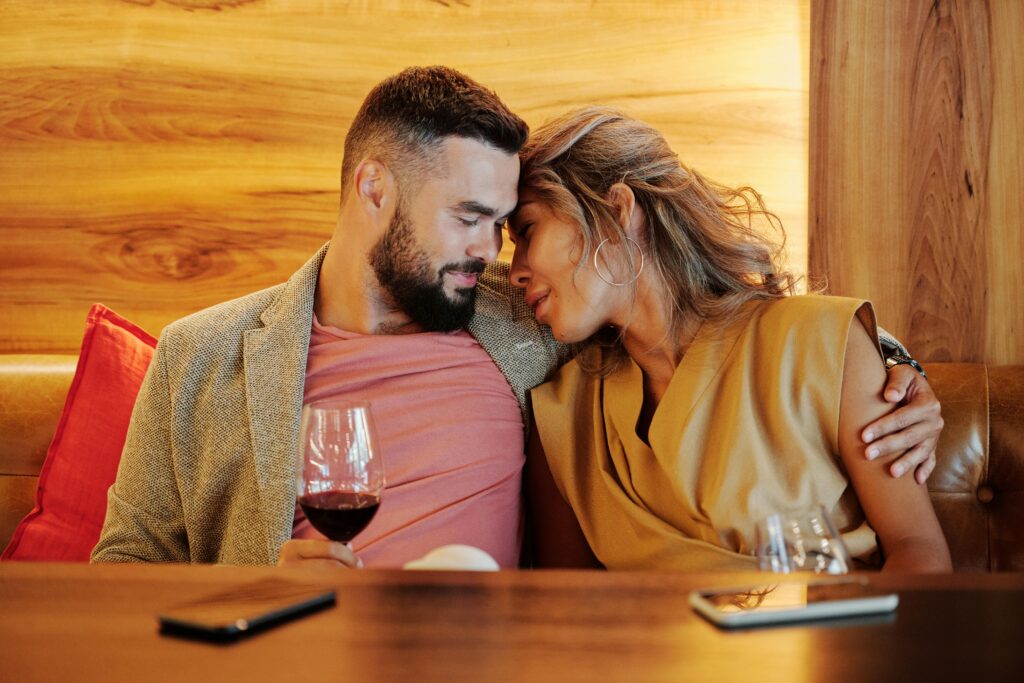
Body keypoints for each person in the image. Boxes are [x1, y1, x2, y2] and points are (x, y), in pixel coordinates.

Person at [92, 68, 941, 570]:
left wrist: (897, 371)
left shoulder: (528, 326)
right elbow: (119, 573)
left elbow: (728, 331)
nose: (493, 254)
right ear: (373, 188)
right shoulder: (199, 356)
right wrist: (257, 591)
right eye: (469, 217)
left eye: (507, 226)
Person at [508, 107, 951, 572]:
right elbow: (567, 608)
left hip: (828, 639)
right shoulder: (562, 416)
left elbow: (918, 550)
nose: (515, 271)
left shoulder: (821, 342)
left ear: (617, 211)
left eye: (528, 231)